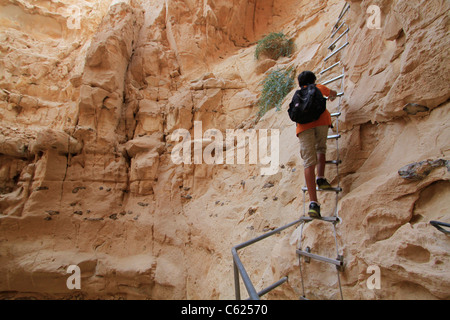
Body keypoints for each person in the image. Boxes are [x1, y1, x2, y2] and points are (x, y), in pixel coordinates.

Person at [295, 71, 337, 218]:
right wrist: (331, 96)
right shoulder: (318, 88)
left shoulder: (299, 94)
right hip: (322, 122)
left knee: (308, 162)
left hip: (303, 127)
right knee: (320, 149)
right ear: (313, 80)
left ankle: (313, 203)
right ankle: (320, 178)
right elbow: (333, 93)